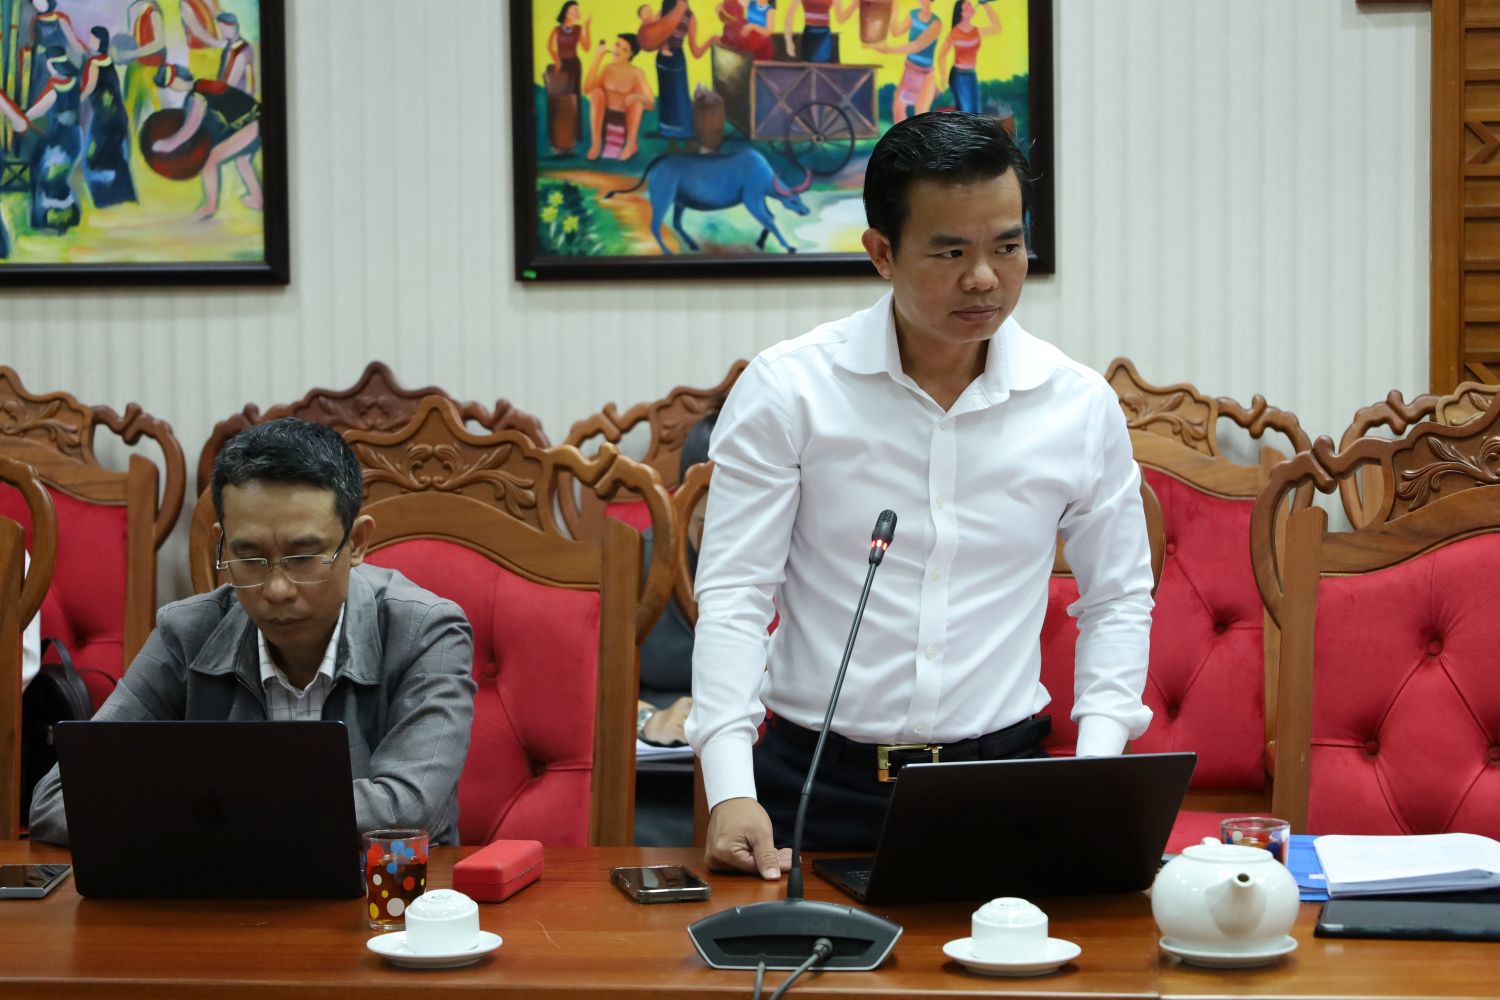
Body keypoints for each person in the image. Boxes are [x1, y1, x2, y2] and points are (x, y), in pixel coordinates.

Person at [686, 112, 1155, 879]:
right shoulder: (791, 391)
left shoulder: (1075, 404)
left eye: (1008, 246)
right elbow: (737, 592)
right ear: (882, 252)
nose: (985, 277)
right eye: (951, 252)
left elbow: (1118, 598)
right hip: (814, 788)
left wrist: (1097, 773)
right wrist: (731, 788)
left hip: (1004, 783)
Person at [28, 418, 478, 847]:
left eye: (303, 558)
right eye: (249, 558)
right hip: (221, 895)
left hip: (380, 897)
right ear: (223, 543)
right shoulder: (187, 633)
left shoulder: (424, 632)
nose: (277, 590)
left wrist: (209, 810)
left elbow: (406, 809)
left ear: (357, 542)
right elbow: (57, 801)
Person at [151, 63, 263, 219]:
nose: (172, 88)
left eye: (170, 84)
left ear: (177, 80)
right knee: (242, 161)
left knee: (210, 160)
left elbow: (189, 129)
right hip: (256, 119)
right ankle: (258, 199)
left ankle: (210, 206)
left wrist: (167, 145)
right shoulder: (202, 85)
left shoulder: (197, 95)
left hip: (253, 124)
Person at [81, 26, 139, 209]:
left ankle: (104, 199)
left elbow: (89, 88)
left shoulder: (93, 63)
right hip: (118, 116)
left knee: (95, 157)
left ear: (99, 41)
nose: (90, 41)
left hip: (104, 119)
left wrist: (75, 99)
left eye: (92, 38)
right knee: (116, 157)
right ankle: (124, 196)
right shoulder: (108, 60)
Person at [584, 34, 654, 162]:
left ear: (631, 54)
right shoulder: (607, 68)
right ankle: (596, 144)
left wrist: (636, 96)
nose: (618, 51)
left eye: (624, 50)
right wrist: (597, 58)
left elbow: (651, 103)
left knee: (637, 103)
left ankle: (631, 145)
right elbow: (587, 89)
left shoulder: (636, 72)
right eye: (617, 45)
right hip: (605, 114)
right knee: (596, 93)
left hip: (626, 115)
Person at [871, 0, 942, 123]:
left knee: (921, 115)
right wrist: (894, 8)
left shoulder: (936, 23)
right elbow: (896, 32)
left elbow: (917, 45)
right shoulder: (912, 15)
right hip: (909, 70)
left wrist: (889, 50)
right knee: (898, 110)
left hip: (925, 75)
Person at [938, 0, 1000, 114]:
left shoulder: (976, 31)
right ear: (961, 13)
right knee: (965, 113)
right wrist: (943, 77)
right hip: (959, 76)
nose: (972, 8)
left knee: (976, 113)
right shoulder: (954, 33)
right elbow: (941, 55)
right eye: (968, 7)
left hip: (972, 75)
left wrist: (986, 5)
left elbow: (997, 28)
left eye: (971, 5)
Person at [547, 1, 590, 153]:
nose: (575, 13)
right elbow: (550, 47)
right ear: (565, 12)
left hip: (574, 65)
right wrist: (557, 60)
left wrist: (587, 27)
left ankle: (575, 134)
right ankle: (559, 135)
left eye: (577, 10)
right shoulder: (557, 30)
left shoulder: (578, 29)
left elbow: (586, 47)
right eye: (572, 10)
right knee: (560, 100)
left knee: (574, 98)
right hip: (561, 65)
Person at [122, 0, 166, 132]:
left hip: (150, 68)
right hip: (136, 67)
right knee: (130, 107)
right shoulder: (138, 12)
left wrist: (134, 53)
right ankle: (131, 140)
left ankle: (156, 135)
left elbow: (159, 43)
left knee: (151, 107)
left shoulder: (153, 13)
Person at [782, 0, 854, 63]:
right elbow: (790, 15)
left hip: (824, 37)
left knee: (824, 67)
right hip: (809, 35)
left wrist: (854, 5)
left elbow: (841, 18)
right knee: (807, 67)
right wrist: (789, 41)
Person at [215, 12, 256, 95]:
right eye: (220, 28)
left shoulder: (242, 50)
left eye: (222, 29)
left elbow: (230, 84)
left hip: (238, 97)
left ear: (232, 28)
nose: (221, 32)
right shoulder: (229, 47)